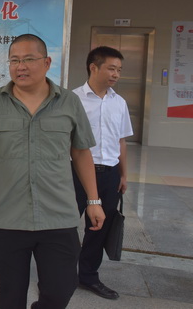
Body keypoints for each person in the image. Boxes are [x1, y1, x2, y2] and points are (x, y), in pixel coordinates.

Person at [0, 34, 105, 309]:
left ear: (46, 63)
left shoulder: (69, 102)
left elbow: (81, 152)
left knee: (60, 291)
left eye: (28, 59)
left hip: (58, 216)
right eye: (14, 61)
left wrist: (94, 200)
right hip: (7, 218)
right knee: (11, 295)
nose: (20, 66)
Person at [72, 46, 133, 300]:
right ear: (93, 67)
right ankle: (56, 276)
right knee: (63, 227)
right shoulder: (73, 100)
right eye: (111, 68)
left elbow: (121, 141)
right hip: (75, 173)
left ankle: (88, 276)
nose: (116, 74)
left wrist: (123, 175)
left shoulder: (119, 103)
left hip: (109, 174)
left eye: (119, 70)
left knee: (98, 228)